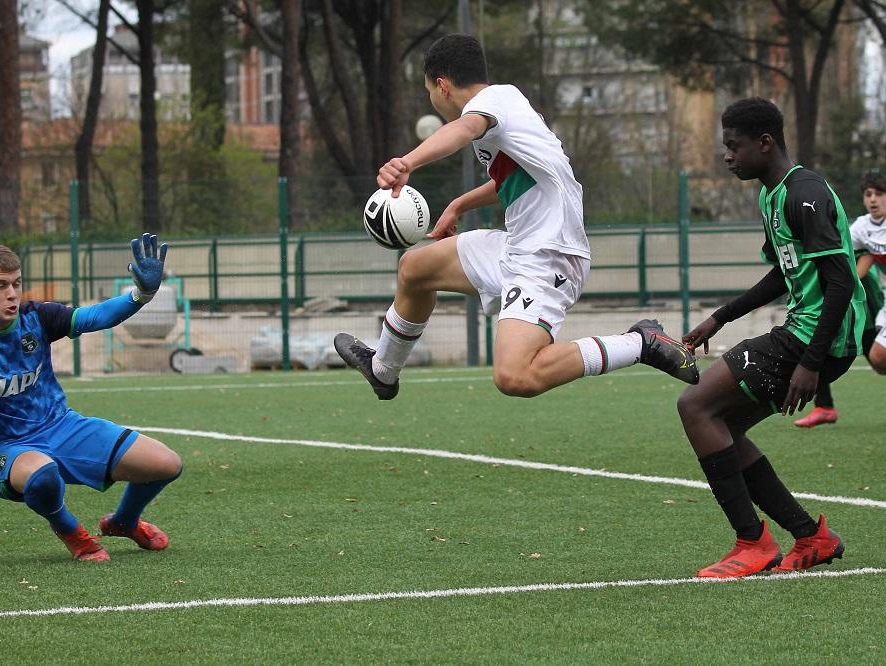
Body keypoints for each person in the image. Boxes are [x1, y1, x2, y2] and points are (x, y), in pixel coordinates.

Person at [334, 33, 698, 401]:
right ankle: (383, 371)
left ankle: (641, 343)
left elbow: (462, 129)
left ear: (442, 86)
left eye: (429, 90)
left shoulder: (491, 102)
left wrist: (407, 162)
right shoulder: (510, 108)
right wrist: (460, 204)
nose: (431, 98)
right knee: (415, 269)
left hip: (549, 255)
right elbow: (517, 179)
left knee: (516, 377)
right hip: (519, 247)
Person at [679, 98, 865, 578]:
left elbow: (842, 280)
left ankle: (753, 543)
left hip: (817, 336)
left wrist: (811, 363)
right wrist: (718, 318)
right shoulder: (771, 194)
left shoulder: (805, 193)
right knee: (721, 424)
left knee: (696, 407)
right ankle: (812, 537)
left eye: (733, 146)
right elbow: (783, 274)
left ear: (765, 143)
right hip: (804, 332)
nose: (727, 156)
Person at [0, 234, 183, 562]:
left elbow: (95, 317)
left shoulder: (37, 318)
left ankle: (123, 522)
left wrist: (141, 294)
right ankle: (70, 531)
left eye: (17, 283)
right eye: (0, 285)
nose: (12, 294)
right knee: (43, 474)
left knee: (166, 464)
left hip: (61, 427)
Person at [794, 171, 886, 426]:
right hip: (875, 302)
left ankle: (824, 406)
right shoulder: (861, 227)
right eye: (868, 194)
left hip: (872, 301)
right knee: (878, 359)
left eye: (879, 194)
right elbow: (845, 252)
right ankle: (824, 406)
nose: (873, 200)